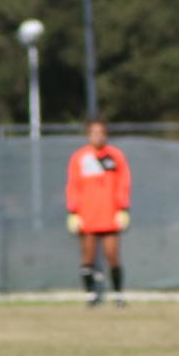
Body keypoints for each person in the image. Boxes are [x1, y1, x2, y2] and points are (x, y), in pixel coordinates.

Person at [66, 119, 131, 307]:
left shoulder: (115, 156)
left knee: (112, 255)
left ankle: (118, 294)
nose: (98, 136)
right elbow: (73, 185)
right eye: (93, 132)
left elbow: (124, 183)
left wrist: (123, 208)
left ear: (106, 134)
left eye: (101, 132)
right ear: (88, 135)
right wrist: (73, 211)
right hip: (87, 215)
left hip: (110, 215)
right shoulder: (80, 158)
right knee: (88, 257)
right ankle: (91, 295)